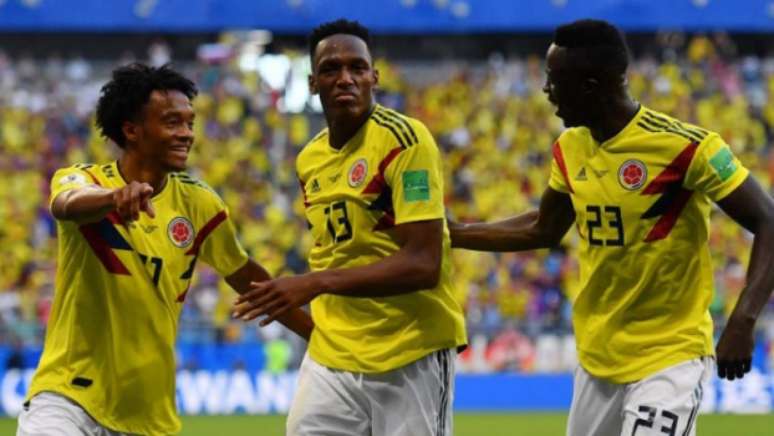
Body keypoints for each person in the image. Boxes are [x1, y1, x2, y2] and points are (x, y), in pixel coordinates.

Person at [448, 19, 774, 436]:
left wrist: (743, 320)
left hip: (668, 356)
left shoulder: (687, 148)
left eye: (554, 81)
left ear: (590, 86)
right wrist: (451, 232)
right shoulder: (570, 147)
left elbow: (767, 220)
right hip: (598, 359)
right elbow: (543, 228)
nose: (546, 93)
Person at [18, 63, 313, 436]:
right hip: (67, 398)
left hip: (148, 418)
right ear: (132, 130)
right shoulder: (84, 180)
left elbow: (247, 277)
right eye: (173, 123)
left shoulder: (199, 204)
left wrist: (319, 336)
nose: (186, 134)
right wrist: (113, 198)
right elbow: (66, 204)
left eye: (189, 123)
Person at [233, 19, 467, 436]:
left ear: (374, 77)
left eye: (357, 68)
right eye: (331, 69)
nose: (346, 78)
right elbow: (338, 247)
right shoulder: (309, 159)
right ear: (311, 82)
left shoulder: (405, 140)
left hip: (409, 349)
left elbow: (424, 264)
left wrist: (316, 283)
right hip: (334, 354)